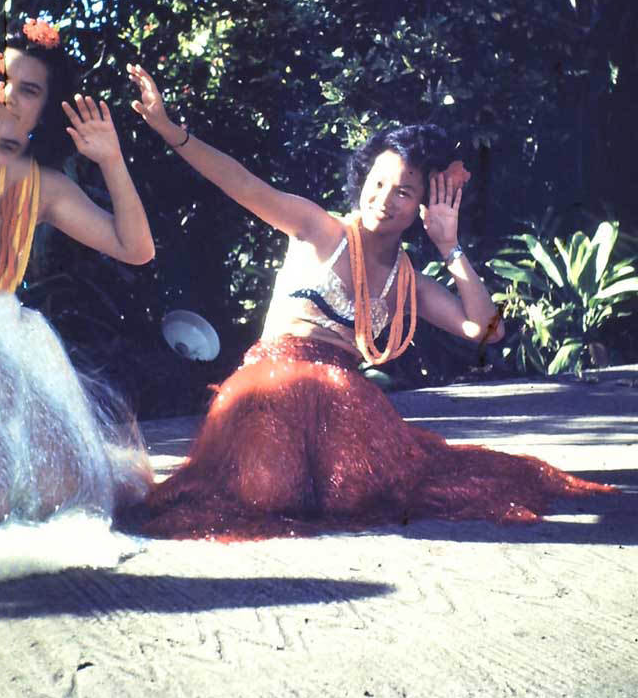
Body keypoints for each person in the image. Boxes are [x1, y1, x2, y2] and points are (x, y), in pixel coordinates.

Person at [127, 63, 612, 541]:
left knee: (354, 494)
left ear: (422, 205)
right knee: (262, 495)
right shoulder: (321, 229)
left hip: (344, 401)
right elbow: (243, 184)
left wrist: (450, 247)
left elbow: (487, 331)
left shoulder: (409, 282)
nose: (384, 198)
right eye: (378, 183)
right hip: (270, 384)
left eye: (403, 191)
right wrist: (172, 130)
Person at [0, 17, 154, 527]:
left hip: (4, 344)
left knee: (63, 488)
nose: (8, 96)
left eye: (28, 89)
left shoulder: (46, 187)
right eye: (0, 77)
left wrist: (111, 159)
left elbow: (136, 249)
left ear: (45, 108)